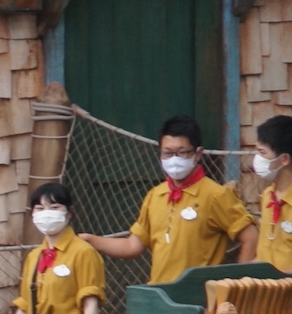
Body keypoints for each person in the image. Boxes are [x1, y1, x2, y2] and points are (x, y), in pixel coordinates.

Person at [82, 113, 254, 284]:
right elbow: (132, 246)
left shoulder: (216, 195)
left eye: (182, 152)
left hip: (200, 299)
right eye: (167, 153)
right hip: (160, 295)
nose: (174, 159)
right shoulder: (155, 195)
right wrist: (90, 239)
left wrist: (238, 285)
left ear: (198, 153)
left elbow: (251, 236)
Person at [1, 183, 103, 314]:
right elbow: (25, 307)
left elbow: (90, 303)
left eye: (54, 207)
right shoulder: (34, 256)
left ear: (69, 212)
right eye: (39, 208)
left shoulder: (83, 252)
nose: (46, 213)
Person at [252, 116, 292, 273]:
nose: (256, 159)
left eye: (262, 153)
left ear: (284, 159)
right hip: (267, 294)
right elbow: (263, 256)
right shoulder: (268, 195)